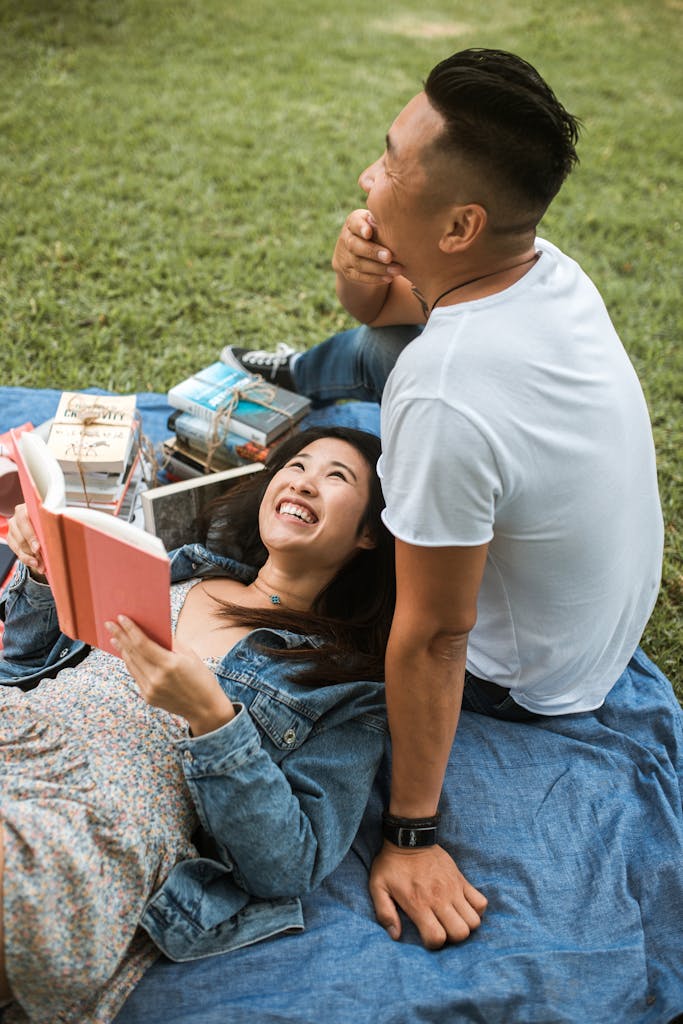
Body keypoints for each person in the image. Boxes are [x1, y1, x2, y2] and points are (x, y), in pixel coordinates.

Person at [226, 48, 664, 950]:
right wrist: (356, 272)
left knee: (291, 567)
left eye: (389, 162)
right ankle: (301, 374)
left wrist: (412, 832)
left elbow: (436, 635)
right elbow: (386, 309)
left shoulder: (445, 394)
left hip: (519, 678)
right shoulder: (540, 267)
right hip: (598, 625)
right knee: (374, 355)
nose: (366, 174)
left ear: (460, 224)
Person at [0, 426, 397, 1023]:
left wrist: (211, 720)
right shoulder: (180, 569)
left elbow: (287, 865)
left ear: (369, 532)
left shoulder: (342, 687)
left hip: (103, 809)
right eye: (295, 464)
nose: (302, 480)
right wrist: (39, 576)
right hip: (20, 730)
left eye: (336, 477)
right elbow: (22, 661)